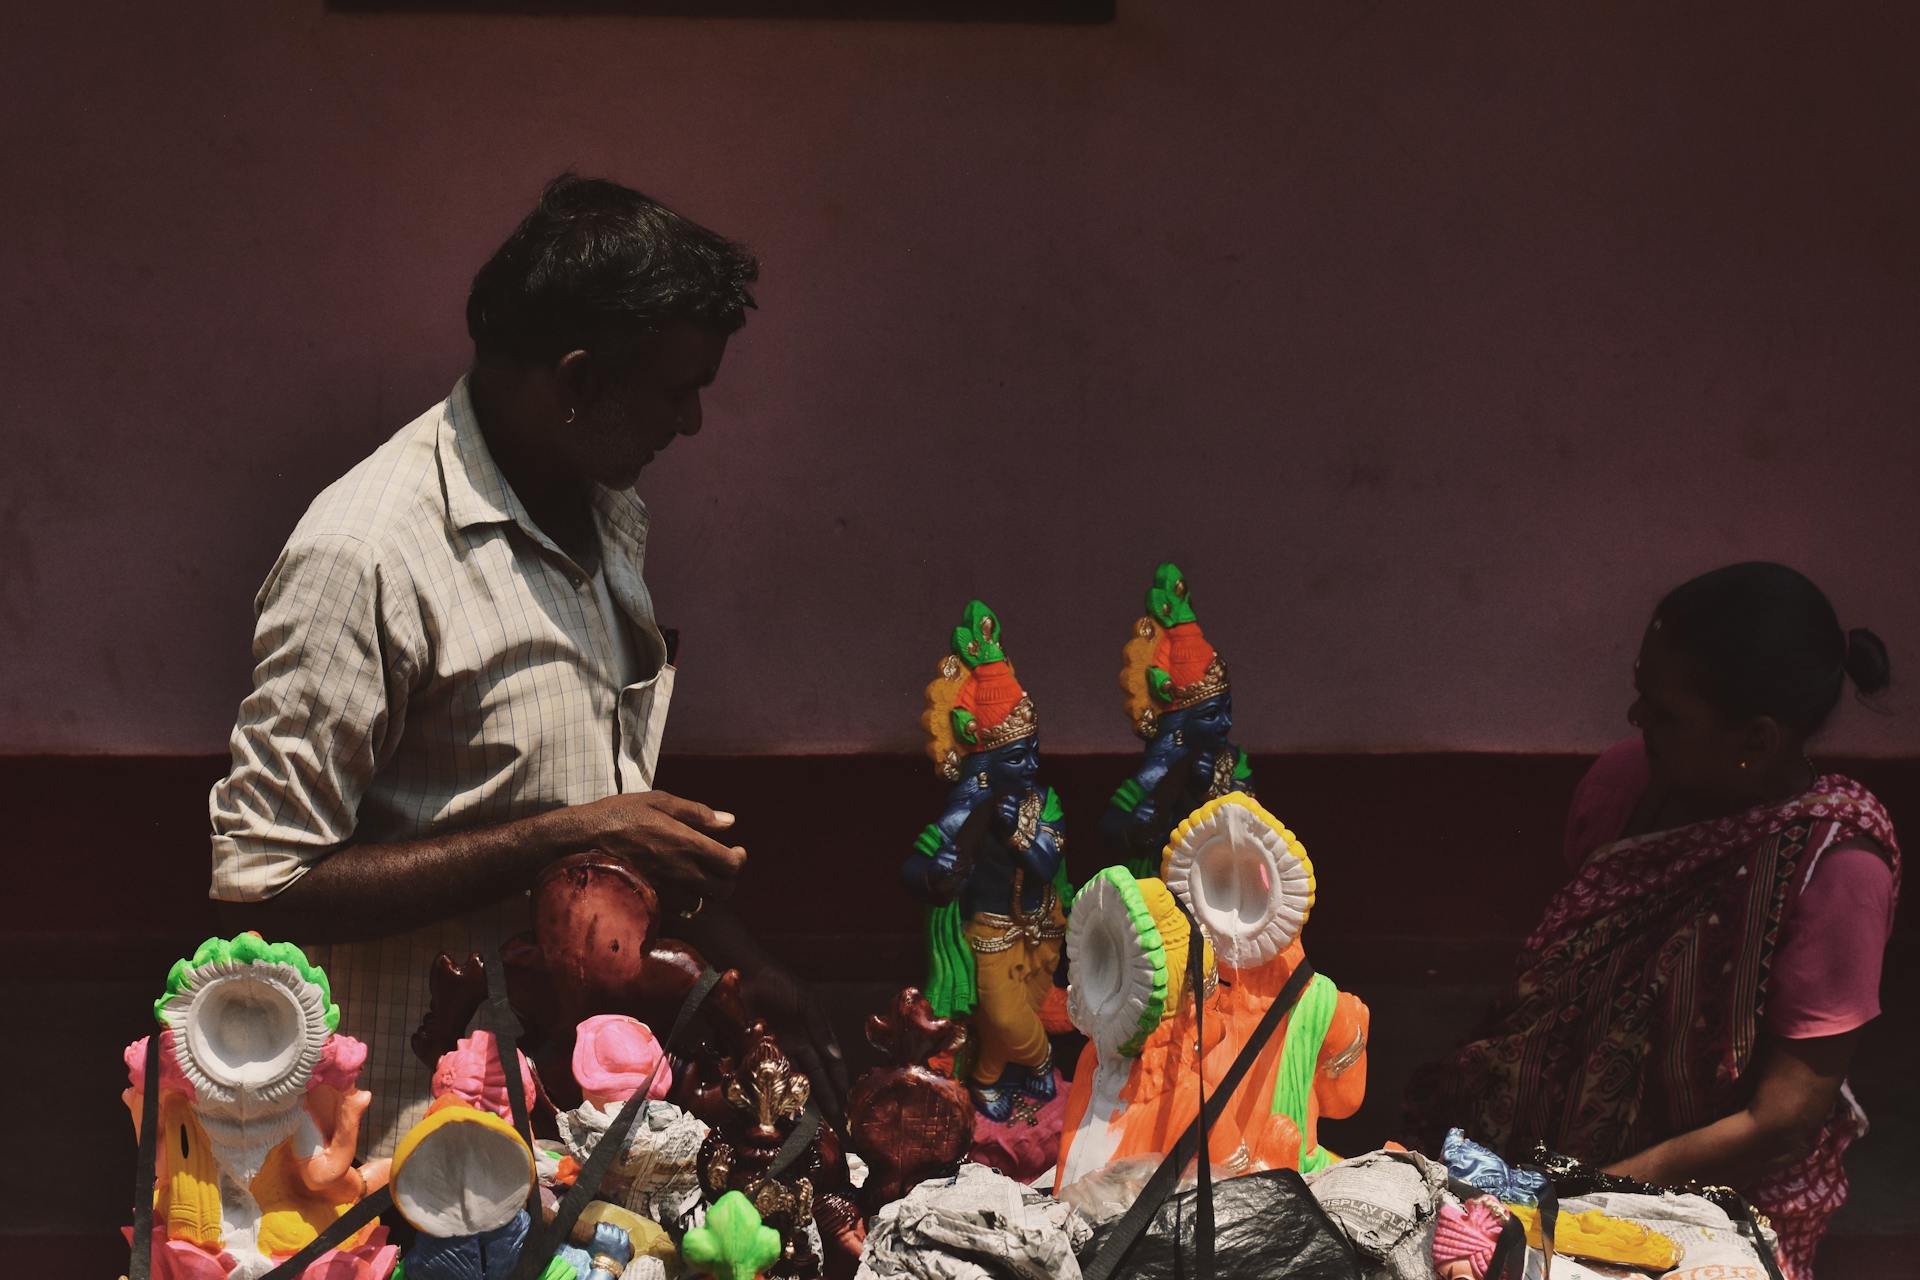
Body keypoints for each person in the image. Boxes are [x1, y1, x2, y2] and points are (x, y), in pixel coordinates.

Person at [208, 174, 846, 1153]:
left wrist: (738, 966)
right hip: (393, 1152)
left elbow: (595, 803)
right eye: (678, 390)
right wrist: (559, 837)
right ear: (581, 380)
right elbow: (266, 881)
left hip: (568, 1133)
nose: (692, 423)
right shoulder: (365, 554)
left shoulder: (603, 508)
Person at [1406, 562, 1899, 1279]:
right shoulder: (1626, 783)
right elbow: (1570, 988)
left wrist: (1588, 1194)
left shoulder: (1836, 866)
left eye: (1667, 714)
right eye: (1641, 695)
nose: (1639, 721)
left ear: (1755, 740)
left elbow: (1783, 1119)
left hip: (1705, 1197)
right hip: (1540, 1157)